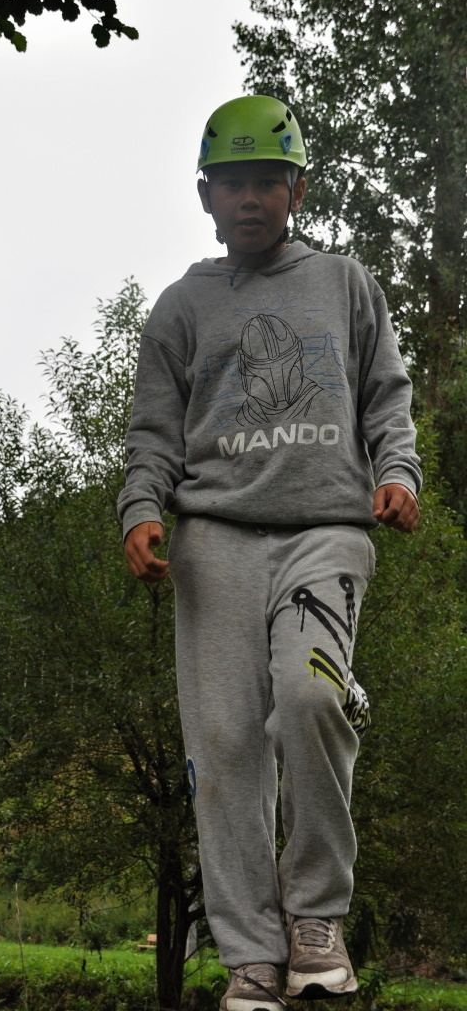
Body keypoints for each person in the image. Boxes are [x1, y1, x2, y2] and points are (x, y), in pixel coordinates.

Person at [118, 95, 421, 1011]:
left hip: (326, 529)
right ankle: (251, 957)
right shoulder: (182, 306)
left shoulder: (344, 282)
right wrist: (140, 508)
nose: (249, 198)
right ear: (206, 196)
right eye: (232, 183)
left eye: (266, 181)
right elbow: (152, 432)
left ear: (297, 190)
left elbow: (385, 393)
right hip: (213, 541)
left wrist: (398, 470)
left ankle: (316, 921)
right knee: (223, 748)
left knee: (310, 698)